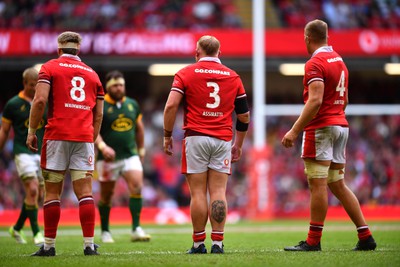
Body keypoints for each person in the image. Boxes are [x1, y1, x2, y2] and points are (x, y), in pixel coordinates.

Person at [281, 19, 376, 251]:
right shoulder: (339, 61)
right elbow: (345, 99)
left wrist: (294, 130)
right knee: (338, 184)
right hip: (340, 124)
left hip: (322, 128)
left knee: (318, 185)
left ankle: (313, 241)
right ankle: (366, 236)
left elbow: (315, 100)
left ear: (307, 38)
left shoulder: (315, 63)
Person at [163, 35, 250, 254]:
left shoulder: (185, 74)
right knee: (219, 191)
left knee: (198, 193)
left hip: (196, 137)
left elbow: (171, 106)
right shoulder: (233, 77)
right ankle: (218, 243)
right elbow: (244, 116)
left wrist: (166, 135)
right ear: (219, 54)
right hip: (222, 139)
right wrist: (238, 144)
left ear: (196, 53)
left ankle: (198, 243)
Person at [26, 31, 104, 256]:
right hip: (83, 137)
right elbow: (98, 115)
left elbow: (40, 100)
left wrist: (32, 131)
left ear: (59, 49)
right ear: (78, 49)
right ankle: (89, 245)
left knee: (52, 193)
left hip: (57, 135)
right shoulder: (93, 74)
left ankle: (49, 246)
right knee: (85, 193)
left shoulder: (49, 67)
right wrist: (91, 138)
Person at [95, 70, 150, 243]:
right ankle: (105, 231)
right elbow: (93, 129)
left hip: (129, 155)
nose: (119, 88)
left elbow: (139, 128)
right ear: (108, 87)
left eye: (121, 85)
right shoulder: (100, 104)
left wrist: (141, 151)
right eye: (116, 86)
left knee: (137, 187)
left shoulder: (132, 104)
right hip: (107, 159)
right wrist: (102, 147)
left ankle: (136, 229)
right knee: (106, 196)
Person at [0, 67, 45, 246]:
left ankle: (17, 228)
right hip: (22, 151)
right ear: (24, 83)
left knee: (39, 194)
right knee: (32, 190)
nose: (35, 88)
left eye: (37, 85)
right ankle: (36, 233)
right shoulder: (13, 104)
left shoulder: (43, 101)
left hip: (41, 152)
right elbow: (4, 130)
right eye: (32, 85)